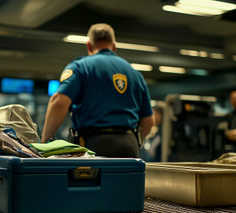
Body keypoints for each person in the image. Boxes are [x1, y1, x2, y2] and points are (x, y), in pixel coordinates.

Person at [41, 23, 154, 157]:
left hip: (95, 144)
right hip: (129, 144)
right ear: (114, 46)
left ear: (89, 45)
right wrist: (134, 142)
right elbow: (148, 121)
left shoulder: (81, 67)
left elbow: (59, 102)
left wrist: (44, 142)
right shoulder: (135, 74)